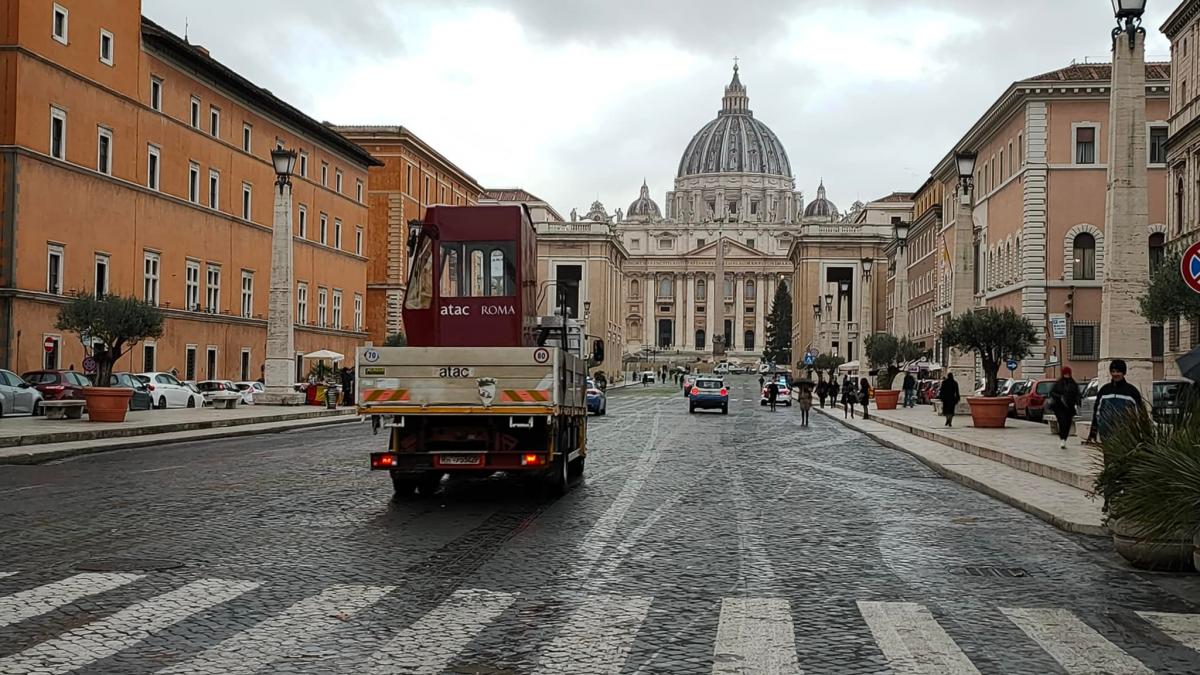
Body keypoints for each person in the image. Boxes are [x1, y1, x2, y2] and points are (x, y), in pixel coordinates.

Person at [1088, 359, 1143, 445]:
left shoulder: (1132, 392)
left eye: (1118, 371)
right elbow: (1097, 412)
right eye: (1113, 371)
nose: (1115, 374)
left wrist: (1143, 435)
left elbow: (1140, 413)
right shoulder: (1104, 390)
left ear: (1124, 373)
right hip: (1107, 434)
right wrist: (1093, 431)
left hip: (1127, 436)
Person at [1047, 367, 1081, 449]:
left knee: (1068, 424)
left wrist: (1077, 402)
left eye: (1068, 373)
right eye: (1065, 373)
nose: (1067, 375)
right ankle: (1062, 438)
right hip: (1059, 407)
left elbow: (1077, 394)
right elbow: (1052, 393)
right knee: (1062, 422)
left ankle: (1064, 438)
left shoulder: (1073, 384)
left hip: (1069, 407)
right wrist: (1060, 397)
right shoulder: (1058, 383)